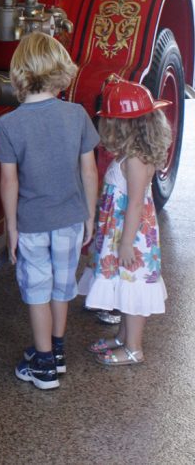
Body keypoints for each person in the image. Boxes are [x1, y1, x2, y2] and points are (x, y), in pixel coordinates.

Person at [0, 32, 100, 390]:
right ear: (59, 69)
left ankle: (43, 366)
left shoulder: (8, 124)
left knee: (37, 290)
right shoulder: (77, 115)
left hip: (33, 223)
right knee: (61, 287)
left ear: (19, 72)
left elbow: (10, 182)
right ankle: (56, 351)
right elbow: (89, 170)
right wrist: (90, 214)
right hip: (70, 219)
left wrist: (12, 227)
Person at [78, 76, 172, 365]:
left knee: (133, 289)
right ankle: (122, 337)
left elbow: (134, 203)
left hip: (131, 236)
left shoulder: (135, 161)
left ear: (122, 125)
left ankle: (134, 348)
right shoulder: (133, 154)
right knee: (124, 285)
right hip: (123, 232)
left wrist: (127, 244)